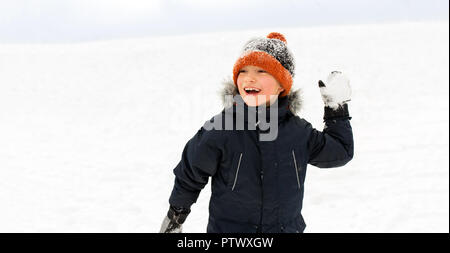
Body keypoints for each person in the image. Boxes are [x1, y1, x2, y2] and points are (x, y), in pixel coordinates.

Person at [159, 32, 354, 233]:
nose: (249, 78)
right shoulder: (222, 128)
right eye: (243, 71)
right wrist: (176, 216)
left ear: (281, 85)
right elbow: (190, 171)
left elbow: (340, 152)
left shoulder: (298, 132)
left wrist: (336, 109)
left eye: (262, 71)